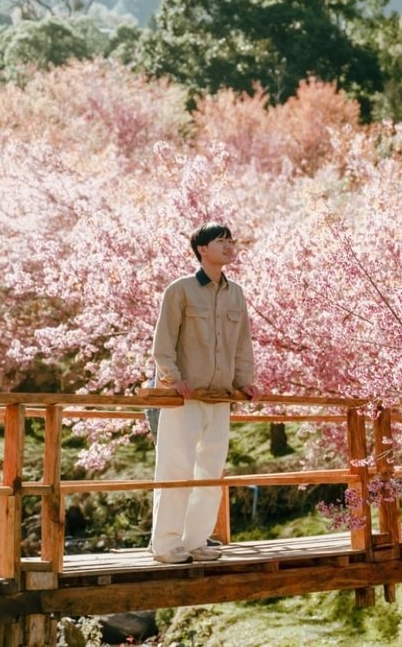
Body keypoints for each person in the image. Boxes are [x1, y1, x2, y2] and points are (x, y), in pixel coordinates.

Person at [148, 222, 257, 564]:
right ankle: (166, 545)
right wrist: (172, 378)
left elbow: (242, 343)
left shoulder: (236, 294)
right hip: (184, 397)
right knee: (175, 468)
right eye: (221, 241)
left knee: (210, 471)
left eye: (231, 240)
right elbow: (163, 343)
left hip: (220, 397)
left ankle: (195, 540)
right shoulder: (179, 290)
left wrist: (244, 381)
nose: (229, 246)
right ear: (202, 249)